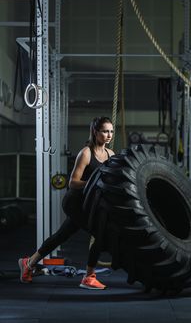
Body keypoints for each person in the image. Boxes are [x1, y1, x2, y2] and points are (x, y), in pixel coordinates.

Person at [18, 116, 115, 290]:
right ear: (95, 132)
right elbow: (73, 182)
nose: (109, 135)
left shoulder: (110, 154)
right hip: (75, 202)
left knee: (62, 235)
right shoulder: (86, 153)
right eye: (105, 131)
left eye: (111, 131)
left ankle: (29, 263)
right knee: (99, 233)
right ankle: (89, 277)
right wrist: (96, 183)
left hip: (91, 204)